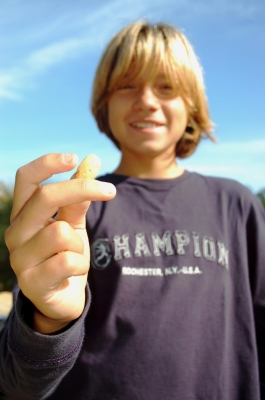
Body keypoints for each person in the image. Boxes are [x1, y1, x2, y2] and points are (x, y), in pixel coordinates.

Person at [0, 20, 265, 400]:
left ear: (191, 103)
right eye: (127, 85)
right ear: (104, 103)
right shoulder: (78, 210)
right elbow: (15, 385)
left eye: (167, 87)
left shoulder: (238, 206)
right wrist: (49, 320)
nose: (147, 100)